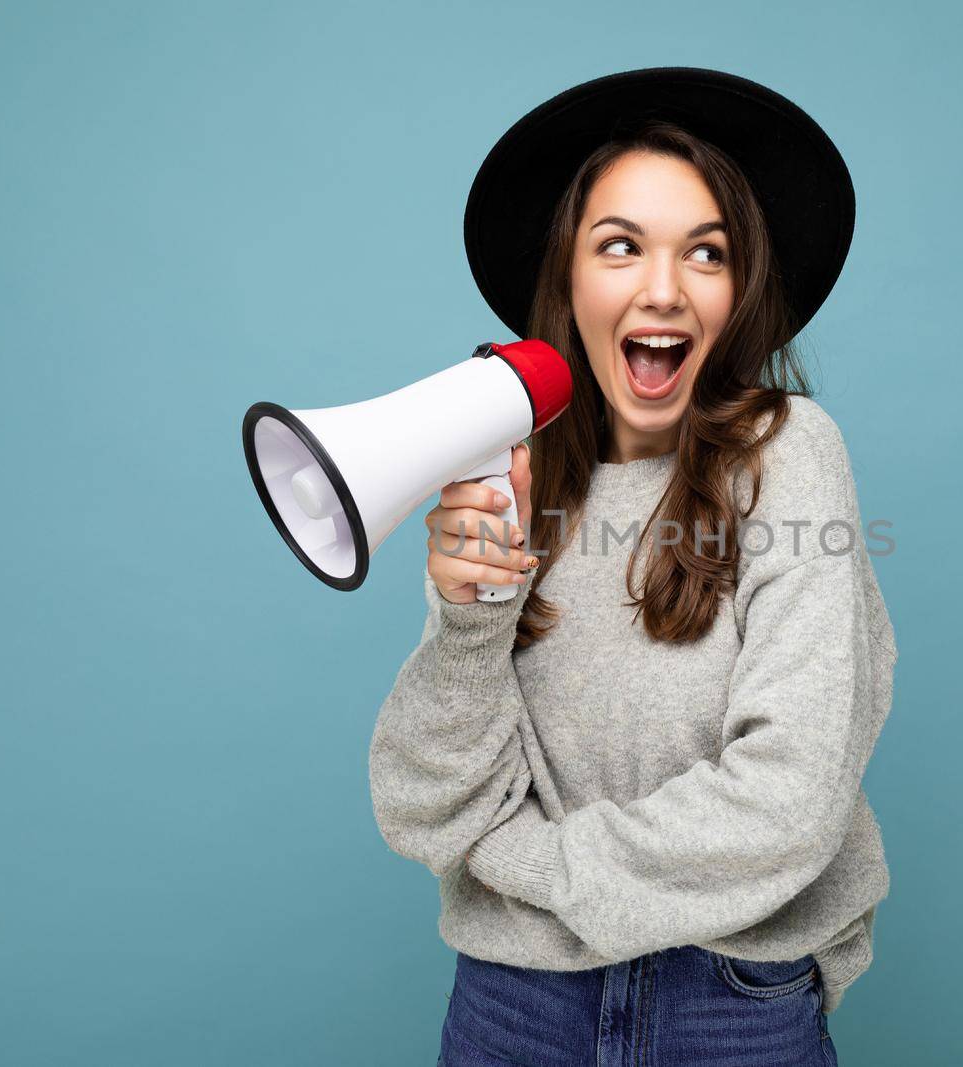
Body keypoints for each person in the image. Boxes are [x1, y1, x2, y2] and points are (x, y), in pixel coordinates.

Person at [368, 67, 897, 1066]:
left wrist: (520, 860)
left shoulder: (788, 453)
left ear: (739, 291)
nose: (662, 287)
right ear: (568, 276)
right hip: (510, 1002)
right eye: (620, 247)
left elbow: (785, 802)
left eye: (707, 252)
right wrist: (469, 615)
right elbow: (420, 800)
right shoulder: (515, 477)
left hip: (724, 1000)